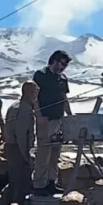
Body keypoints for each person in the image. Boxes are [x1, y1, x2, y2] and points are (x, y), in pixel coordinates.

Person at [31, 50, 72, 195]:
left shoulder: (62, 78)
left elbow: (64, 98)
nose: (63, 67)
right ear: (54, 61)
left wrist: (69, 116)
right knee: (44, 153)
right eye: (62, 63)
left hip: (58, 118)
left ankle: (51, 182)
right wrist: (39, 116)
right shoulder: (41, 75)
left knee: (55, 153)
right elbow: (34, 98)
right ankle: (39, 185)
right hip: (46, 119)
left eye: (65, 65)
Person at [2, 80, 40, 205]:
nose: (37, 94)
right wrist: (27, 156)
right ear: (30, 92)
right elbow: (22, 135)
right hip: (18, 149)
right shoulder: (25, 109)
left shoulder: (13, 106)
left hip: (10, 147)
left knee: (13, 180)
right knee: (21, 182)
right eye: (35, 92)